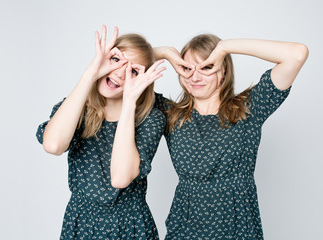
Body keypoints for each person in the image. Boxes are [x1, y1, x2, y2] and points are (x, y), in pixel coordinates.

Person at [153, 35, 308, 239]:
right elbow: (126, 70)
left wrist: (226, 47)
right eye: (187, 69)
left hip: (239, 227)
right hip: (185, 227)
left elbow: (297, 54)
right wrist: (164, 52)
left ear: (223, 70)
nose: (195, 77)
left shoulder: (249, 108)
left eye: (206, 67)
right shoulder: (169, 113)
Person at [36, 25, 166, 240]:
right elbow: (52, 145)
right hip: (81, 221)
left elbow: (120, 178)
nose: (120, 73)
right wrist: (92, 72)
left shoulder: (150, 118)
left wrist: (129, 103)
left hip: (130, 225)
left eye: (133, 71)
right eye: (116, 60)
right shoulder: (77, 108)